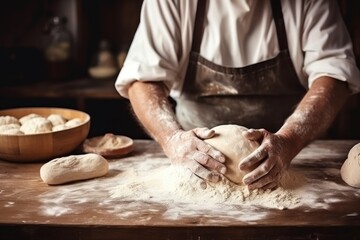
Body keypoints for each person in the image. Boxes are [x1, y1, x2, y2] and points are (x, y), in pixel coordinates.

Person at [115, 0, 360, 190]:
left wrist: (289, 140)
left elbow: (334, 76)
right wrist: (172, 140)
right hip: (194, 156)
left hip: (293, 151)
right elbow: (143, 78)